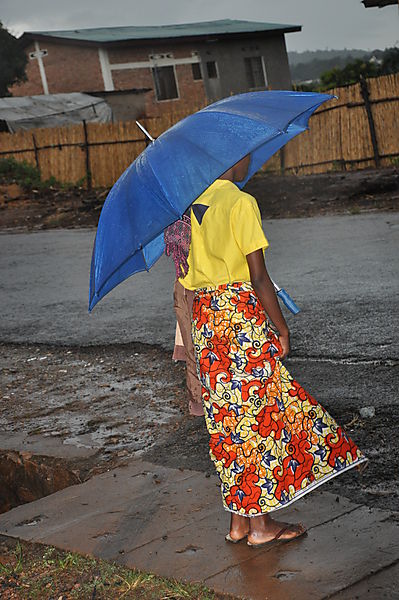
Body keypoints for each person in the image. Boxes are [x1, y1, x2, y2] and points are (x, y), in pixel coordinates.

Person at [178, 155, 367, 547]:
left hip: (208, 321)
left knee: (230, 421)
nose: (251, 156)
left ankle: (239, 522)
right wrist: (281, 327)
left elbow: (188, 277)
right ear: (234, 157)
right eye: (246, 150)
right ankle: (260, 527)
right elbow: (258, 276)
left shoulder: (190, 209)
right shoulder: (239, 202)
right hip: (240, 320)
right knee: (255, 418)